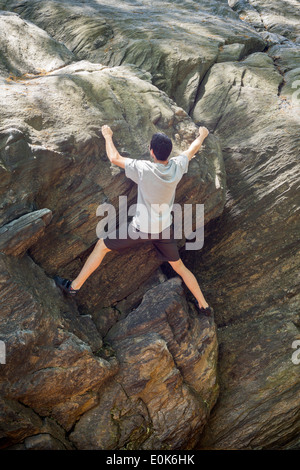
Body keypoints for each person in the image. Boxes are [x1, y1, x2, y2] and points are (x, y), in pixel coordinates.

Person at [54, 125, 212, 315]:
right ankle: (204, 305)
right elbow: (191, 150)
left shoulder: (144, 168)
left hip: (140, 230)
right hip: (164, 230)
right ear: (169, 154)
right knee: (179, 266)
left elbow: (114, 158)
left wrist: (107, 136)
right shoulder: (177, 166)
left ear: (151, 151)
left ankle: (74, 287)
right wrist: (202, 135)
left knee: (102, 245)